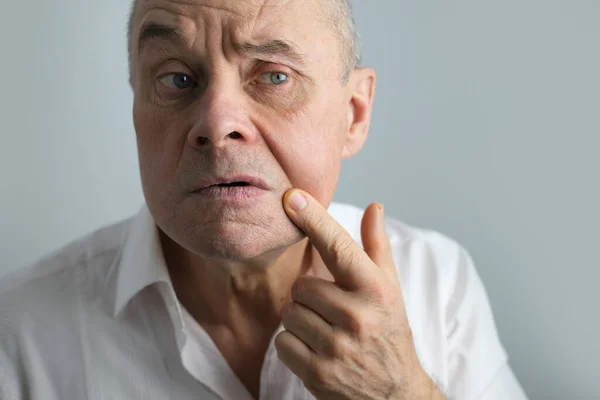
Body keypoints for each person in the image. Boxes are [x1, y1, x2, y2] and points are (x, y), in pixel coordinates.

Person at [0, 0, 529, 399]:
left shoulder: (437, 284)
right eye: (177, 78)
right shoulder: (21, 330)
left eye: (274, 76)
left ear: (355, 114)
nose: (217, 123)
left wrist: (402, 392)